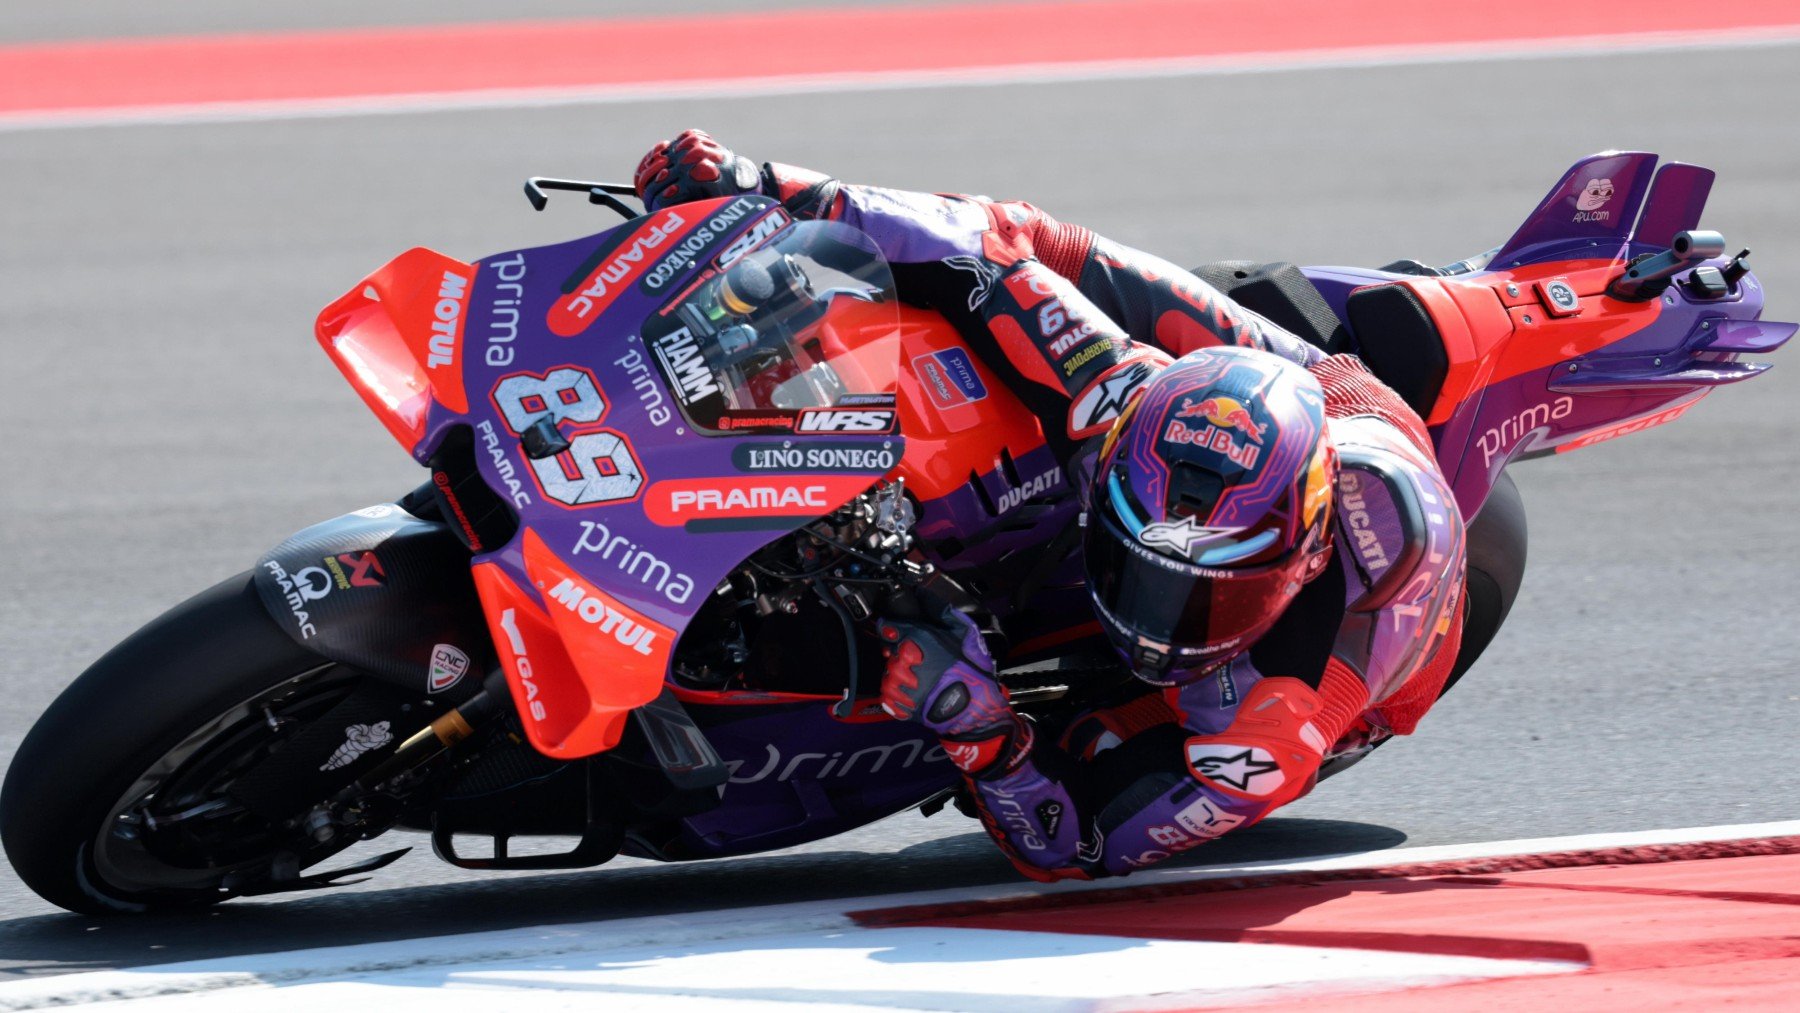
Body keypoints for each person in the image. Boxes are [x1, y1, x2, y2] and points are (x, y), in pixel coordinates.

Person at [634, 130, 1467, 879]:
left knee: (1083, 743)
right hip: (1307, 398)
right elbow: (981, 244)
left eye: (1210, 591)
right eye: (1137, 562)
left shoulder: (1265, 728)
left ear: (1301, 561)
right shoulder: (1113, 395)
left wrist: (985, 734)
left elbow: (1080, 846)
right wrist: (768, 186)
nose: (1158, 617)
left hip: (1364, 456)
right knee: (1042, 251)